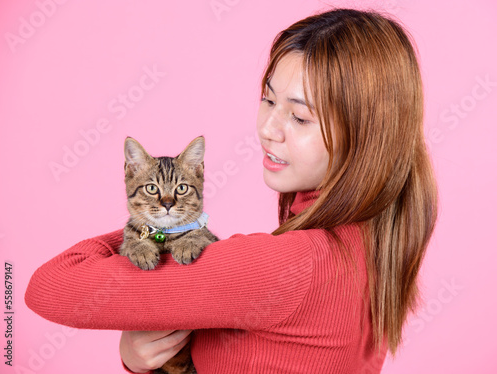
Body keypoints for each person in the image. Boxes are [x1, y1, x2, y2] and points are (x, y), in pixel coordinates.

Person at [25, 7, 438, 374]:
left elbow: (50, 286)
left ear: (365, 138)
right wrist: (145, 361)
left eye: (299, 117)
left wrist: (153, 214)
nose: (267, 129)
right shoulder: (376, 243)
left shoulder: (288, 265)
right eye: (268, 99)